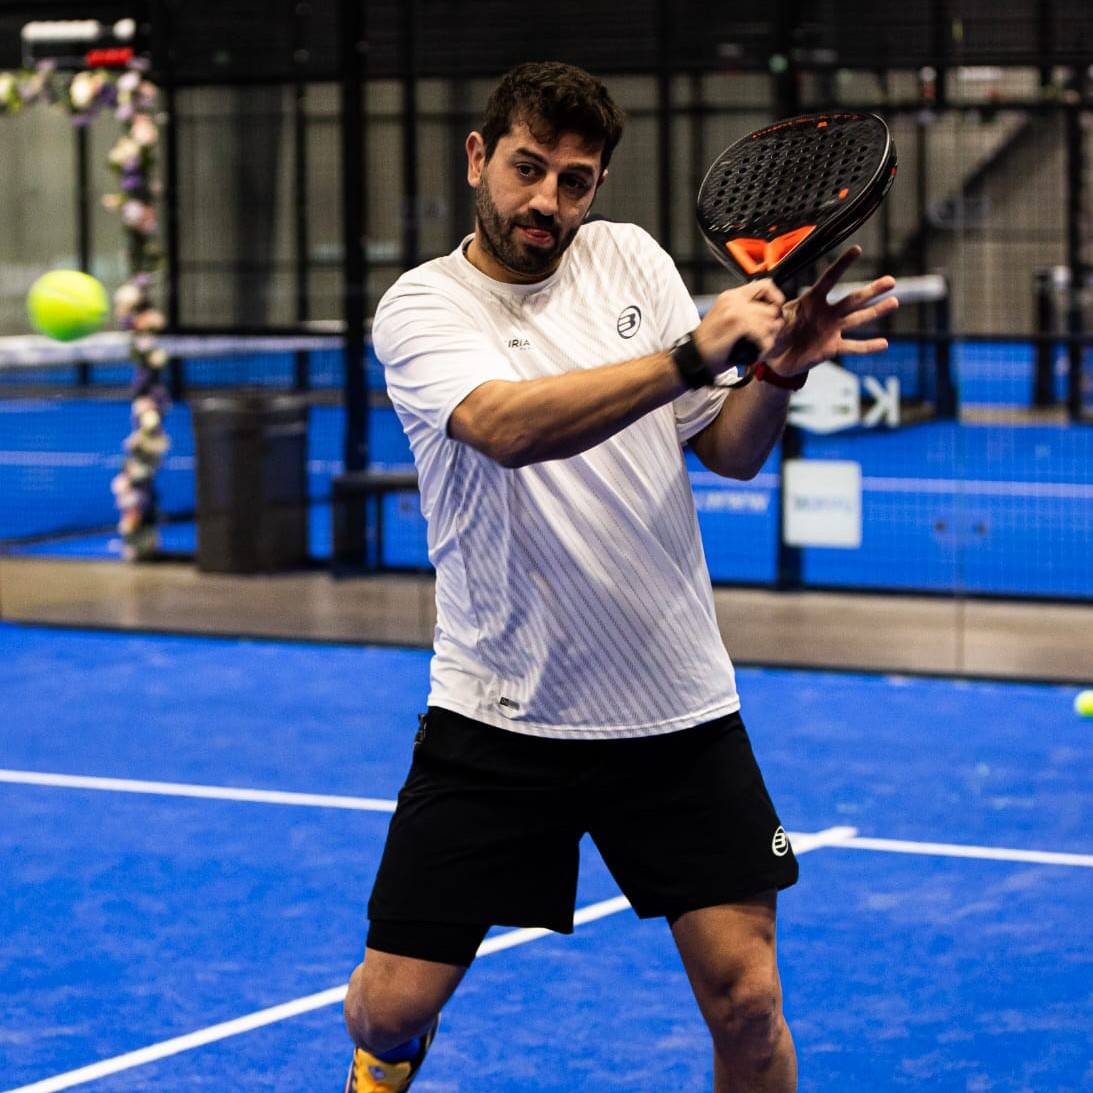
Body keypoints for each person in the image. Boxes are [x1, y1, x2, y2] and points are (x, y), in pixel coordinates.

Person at [342, 60, 897, 1093]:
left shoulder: (629, 259)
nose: (546, 201)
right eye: (527, 168)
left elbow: (727, 449)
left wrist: (776, 371)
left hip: (675, 707)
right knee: (389, 1007)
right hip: (500, 712)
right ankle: (386, 1057)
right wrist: (690, 354)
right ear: (477, 158)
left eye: (575, 180)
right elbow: (505, 428)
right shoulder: (422, 306)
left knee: (748, 1002)